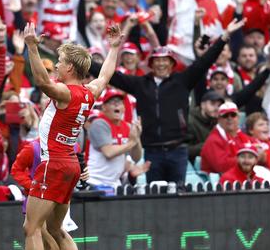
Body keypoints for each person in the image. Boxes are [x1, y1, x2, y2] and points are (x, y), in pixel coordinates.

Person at [88, 19, 245, 184]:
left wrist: (225, 36)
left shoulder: (182, 81)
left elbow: (204, 62)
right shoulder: (141, 84)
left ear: (172, 64)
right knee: (154, 196)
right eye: (157, 60)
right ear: (151, 63)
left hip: (177, 150)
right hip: (152, 151)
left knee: (179, 196)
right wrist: (83, 61)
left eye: (165, 60)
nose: (161, 64)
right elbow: (111, 76)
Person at [22, 22, 123, 250]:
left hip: (54, 163)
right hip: (70, 165)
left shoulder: (65, 93)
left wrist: (32, 46)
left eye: (59, 62)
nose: (56, 66)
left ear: (69, 68)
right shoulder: (90, 92)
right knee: (55, 229)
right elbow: (105, 74)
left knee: (32, 228)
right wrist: (114, 48)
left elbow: (41, 81)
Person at [86, 89, 146, 189]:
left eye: (119, 103)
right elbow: (108, 153)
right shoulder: (98, 124)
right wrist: (132, 142)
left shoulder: (127, 126)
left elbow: (136, 157)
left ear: (124, 108)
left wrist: (137, 138)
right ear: (104, 107)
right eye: (112, 103)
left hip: (115, 183)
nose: (116, 105)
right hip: (94, 181)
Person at [200, 102, 255, 174]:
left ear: (238, 117)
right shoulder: (213, 140)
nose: (230, 118)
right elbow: (221, 167)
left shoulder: (241, 136)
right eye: (225, 116)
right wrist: (249, 158)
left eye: (233, 115)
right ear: (219, 119)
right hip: (221, 181)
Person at [187, 90, 224, 162]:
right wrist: (209, 145)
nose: (217, 108)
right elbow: (185, 150)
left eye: (219, 105)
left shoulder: (219, 121)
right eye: (212, 104)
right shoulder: (190, 121)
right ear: (203, 105)